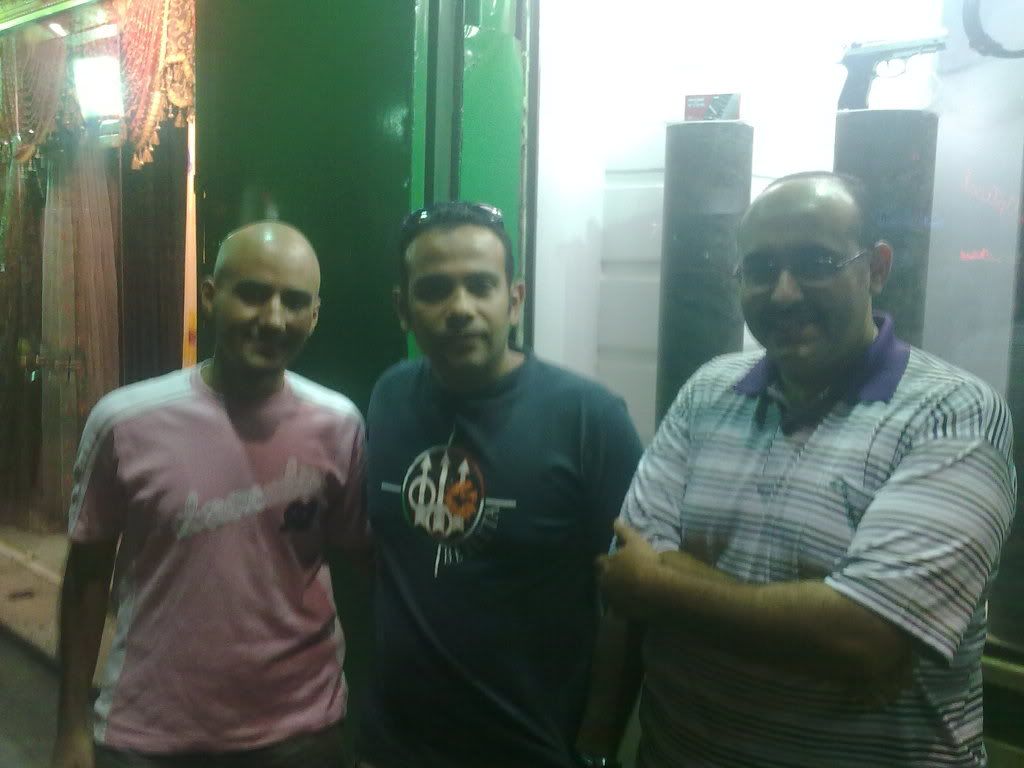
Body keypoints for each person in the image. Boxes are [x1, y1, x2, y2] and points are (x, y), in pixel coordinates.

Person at [591, 172, 1017, 767]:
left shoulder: (954, 413)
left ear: (876, 269)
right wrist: (816, 610)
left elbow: (863, 638)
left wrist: (664, 586)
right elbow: (632, 571)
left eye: (816, 263)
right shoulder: (707, 391)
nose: (784, 293)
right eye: (761, 269)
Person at [51, 221, 369, 768]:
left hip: (305, 733)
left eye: (294, 302)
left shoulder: (340, 425)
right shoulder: (124, 423)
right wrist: (70, 728)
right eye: (253, 294)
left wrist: (362, 721)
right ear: (210, 295)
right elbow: (86, 577)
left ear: (315, 315)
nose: (273, 318)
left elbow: (357, 572)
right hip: (150, 736)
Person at [357, 202, 643, 768]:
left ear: (514, 300)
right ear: (403, 309)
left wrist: (599, 740)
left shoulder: (589, 419)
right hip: (393, 745)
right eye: (434, 290)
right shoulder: (389, 395)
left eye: (480, 286)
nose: (460, 309)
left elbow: (631, 604)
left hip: (531, 748)